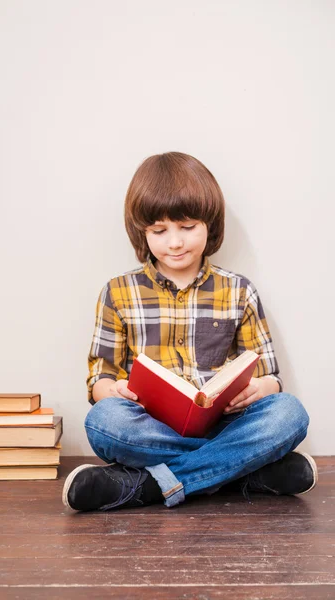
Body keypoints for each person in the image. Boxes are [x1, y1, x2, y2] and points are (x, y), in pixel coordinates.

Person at [62, 151, 317, 512]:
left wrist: (261, 388)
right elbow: (99, 379)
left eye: (187, 226)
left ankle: (149, 485)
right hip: (150, 429)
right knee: (104, 422)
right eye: (159, 231)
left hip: (227, 426)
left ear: (209, 223)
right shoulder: (117, 292)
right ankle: (244, 473)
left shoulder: (239, 290)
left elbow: (270, 377)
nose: (175, 243)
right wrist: (114, 390)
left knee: (289, 414)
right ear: (142, 232)